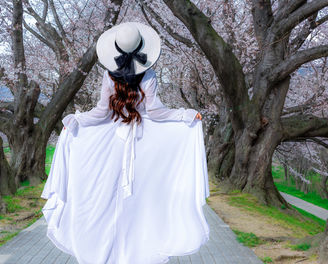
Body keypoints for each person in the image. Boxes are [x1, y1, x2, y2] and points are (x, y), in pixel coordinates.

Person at [41, 21, 210, 264]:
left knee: (104, 196)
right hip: (142, 143)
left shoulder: (109, 74)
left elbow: (101, 112)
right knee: (142, 198)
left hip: (112, 143)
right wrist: (185, 116)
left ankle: (111, 252)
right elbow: (156, 111)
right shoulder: (148, 74)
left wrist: (78, 121)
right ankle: (134, 252)